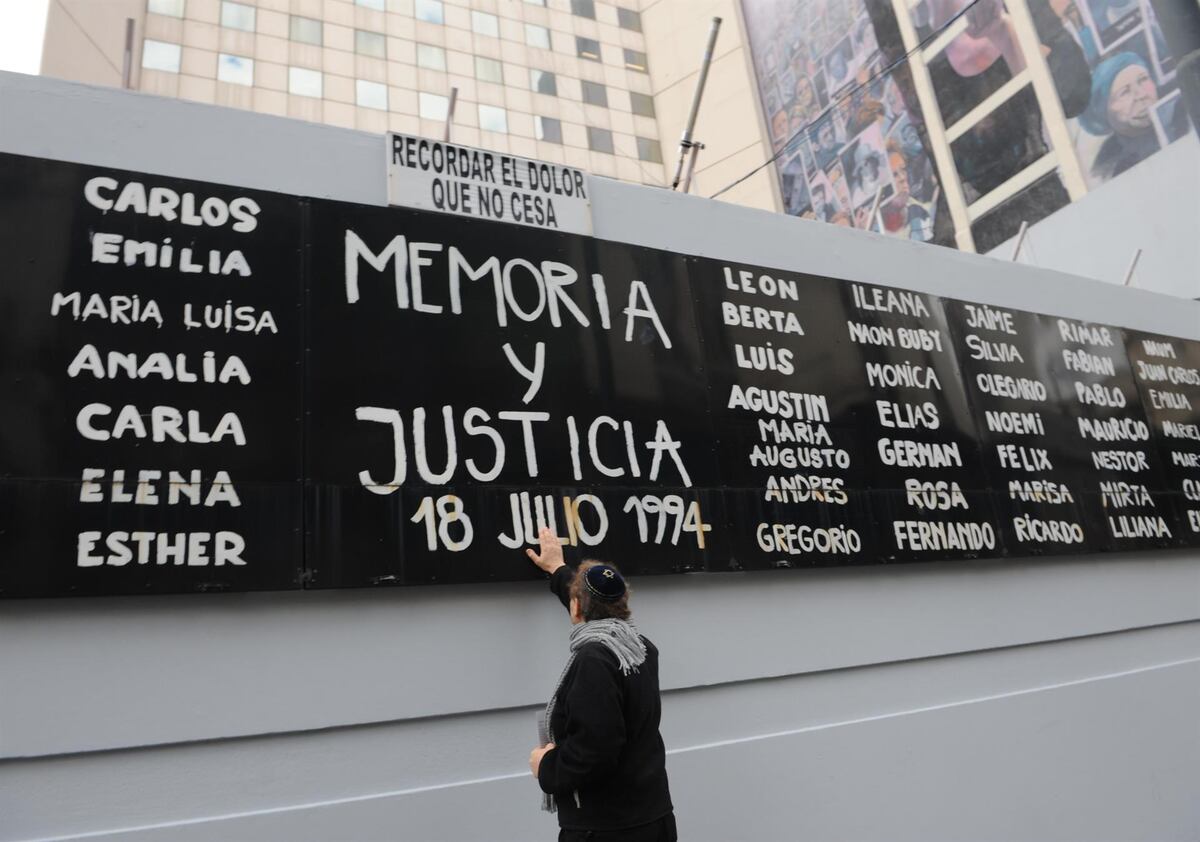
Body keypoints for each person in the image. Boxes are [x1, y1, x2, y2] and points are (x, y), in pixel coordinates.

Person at [526, 528, 676, 842]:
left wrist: (547, 767)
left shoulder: (594, 660)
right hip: (652, 818)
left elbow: (595, 751)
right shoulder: (638, 646)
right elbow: (594, 607)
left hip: (607, 829)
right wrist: (557, 569)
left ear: (576, 607)